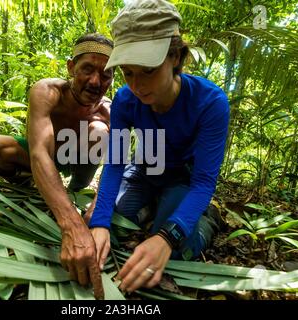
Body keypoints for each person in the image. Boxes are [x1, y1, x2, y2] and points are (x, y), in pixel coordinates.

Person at [86, 0, 230, 294]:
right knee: (110, 224)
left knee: (171, 251)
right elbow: (115, 162)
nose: (136, 85)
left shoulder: (210, 103)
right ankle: (148, 208)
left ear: (175, 56)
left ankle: (208, 220)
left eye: (148, 70)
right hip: (142, 172)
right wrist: (100, 221)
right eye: (128, 72)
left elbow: (204, 181)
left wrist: (166, 237)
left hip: (183, 179)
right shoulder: (127, 100)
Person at [0, 33, 114, 299]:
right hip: (44, 156)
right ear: (71, 67)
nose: (96, 81)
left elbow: (115, 167)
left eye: (106, 74)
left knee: (99, 131)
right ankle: (33, 185)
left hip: (78, 161)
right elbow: (39, 153)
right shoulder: (47, 92)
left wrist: (97, 210)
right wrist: (72, 226)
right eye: (87, 69)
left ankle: (76, 189)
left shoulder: (108, 110)